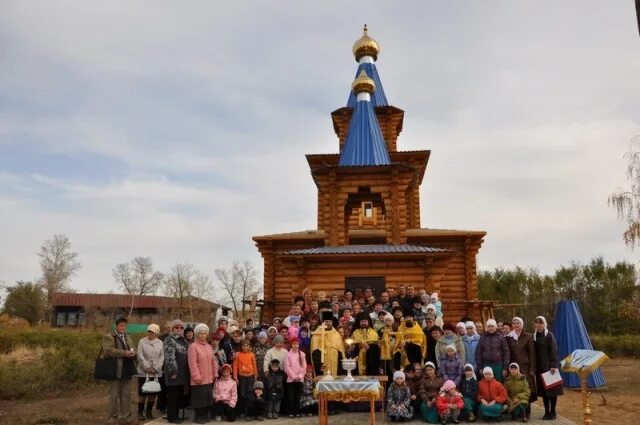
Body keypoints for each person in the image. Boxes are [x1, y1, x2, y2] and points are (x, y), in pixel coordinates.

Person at [103, 317, 137, 425]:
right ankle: (111, 419)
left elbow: (132, 347)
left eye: (124, 325)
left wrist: (133, 352)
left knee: (126, 395)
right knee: (113, 396)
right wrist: (124, 353)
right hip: (115, 370)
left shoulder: (127, 336)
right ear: (116, 326)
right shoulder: (109, 336)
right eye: (121, 325)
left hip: (127, 369)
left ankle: (126, 418)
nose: (123, 327)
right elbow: (108, 351)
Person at [506, 316, 536, 419]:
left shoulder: (528, 336)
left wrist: (532, 368)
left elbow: (532, 353)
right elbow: (508, 353)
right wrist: (507, 368)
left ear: (522, 324)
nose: (516, 325)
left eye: (517, 323)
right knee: (515, 389)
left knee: (528, 388)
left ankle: (527, 411)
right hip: (514, 367)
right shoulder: (509, 337)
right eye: (514, 323)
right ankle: (517, 410)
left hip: (526, 367)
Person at [533, 316, 563, 420]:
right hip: (539, 368)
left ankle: (553, 412)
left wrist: (553, 365)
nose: (538, 325)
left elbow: (554, 350)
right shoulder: (534, 336)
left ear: (544, 324)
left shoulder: (549, 335)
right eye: (536, 323)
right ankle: (546, 412)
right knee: (544, 392)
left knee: (552, 391)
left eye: (540, 323)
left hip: (549, 368)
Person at [188, 323, 218, 424]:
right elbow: (192, 363)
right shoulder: (193, 346)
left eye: (204, 333)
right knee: (199, 399)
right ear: (197, 334)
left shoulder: (209, 347)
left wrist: (215, 374)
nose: (203, 335)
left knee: (206, 399)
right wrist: (196, 377)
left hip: (208, 378)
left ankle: (204, 415)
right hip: (199, 378)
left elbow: (213, 361)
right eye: (200, 333)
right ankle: (198, 417)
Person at [163, 319, 190, 424]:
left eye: (181, 327)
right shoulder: (169, 340)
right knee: (173, 397)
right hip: (174, 374)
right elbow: (169, 357)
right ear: (172, 329)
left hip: (182, 373)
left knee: (179, 396)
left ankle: (177, 416)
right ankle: (171, 417)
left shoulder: (183, 340)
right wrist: (173, 371)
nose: (179, 329)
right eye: (177, 327)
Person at [136, 323, 164, 421]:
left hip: (156, 372)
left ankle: (149, 412)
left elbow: (162, 356)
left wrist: (155, 368)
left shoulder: (160, 343)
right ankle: (140, 412)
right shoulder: (142, 342)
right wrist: (147, 367)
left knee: (153, 392)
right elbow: (140, 355)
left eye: (152, 332)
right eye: (149, 331)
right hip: (144, 372)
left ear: (156, 333)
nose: (150, 333)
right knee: (142, 392)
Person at [310, 311, 345, 377]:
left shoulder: (336, 334)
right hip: (322, 359)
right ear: (322, 322)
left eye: (329, 322)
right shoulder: (317, 333)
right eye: (326, 321)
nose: (328, 323)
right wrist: (319, 363)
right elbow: (314, 350)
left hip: (335, 360)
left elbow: (341, 350)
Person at [233, 339, 258, 419]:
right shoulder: (238, 354)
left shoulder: (252, 354)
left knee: (250, 394)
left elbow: (254, 366)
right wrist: (235, 377)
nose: (245, 347)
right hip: (242, 377)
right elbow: (235, 366)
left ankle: (249, 413)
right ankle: (242, 411)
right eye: (244, 346)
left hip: (250, 376)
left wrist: (255, 376)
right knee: (242, 394)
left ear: (249, 346)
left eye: (247, 346)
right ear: (241, 346)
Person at [284, 337, 306, 417]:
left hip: (300, 379)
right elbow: (287, 367)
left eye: (297, 344)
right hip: (291, 379)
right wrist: (294, 377)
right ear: (291, 345)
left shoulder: (302, 354)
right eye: (294, 344)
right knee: (291, 396)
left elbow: (304, 367)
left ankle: (297, 411)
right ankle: (290, 412)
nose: (295, 345)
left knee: (298, 396)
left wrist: (299, 376)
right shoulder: (288, 355)